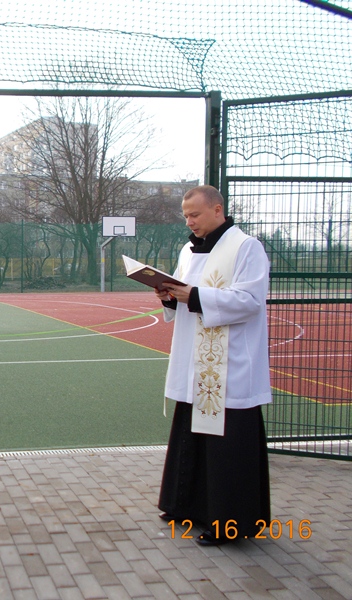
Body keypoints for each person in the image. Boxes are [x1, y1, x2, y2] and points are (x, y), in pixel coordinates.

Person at [155, 185, 271, 546]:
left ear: (218, 210)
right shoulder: (188, 250)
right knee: (191, 432)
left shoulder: (246, 247)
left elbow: (250, 300)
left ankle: (227, 524)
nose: (189, 222)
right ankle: (185, 506)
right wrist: (168, 295)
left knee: (226, 445)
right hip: (196, 360)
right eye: (185, 216)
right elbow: (181, 291)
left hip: (229, 364)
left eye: (195, 215)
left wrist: (197, 296)